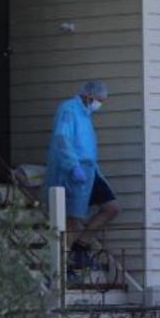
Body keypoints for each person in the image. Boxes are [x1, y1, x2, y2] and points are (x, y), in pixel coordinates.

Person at [45, 80, 120, 272]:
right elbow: (62, 139)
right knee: (72, 218)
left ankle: (81, 245)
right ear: (89, 96)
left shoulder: (85, 114)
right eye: (99, 100)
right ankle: (64, 265)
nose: (99, 104)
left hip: (90, 172)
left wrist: (95, 172)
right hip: (72, 172)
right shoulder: (69, 110)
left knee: (111, 207)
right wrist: (73, 166)